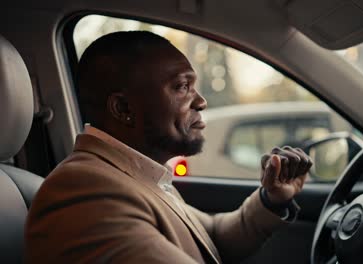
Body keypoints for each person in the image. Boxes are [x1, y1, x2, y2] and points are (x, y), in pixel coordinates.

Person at [25, 31, 312, 263]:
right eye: (181, 86)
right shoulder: (84, 193)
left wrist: (271, 199)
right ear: (123, 107)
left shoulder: (132, 174)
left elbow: (210, 236)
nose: (201, 101)